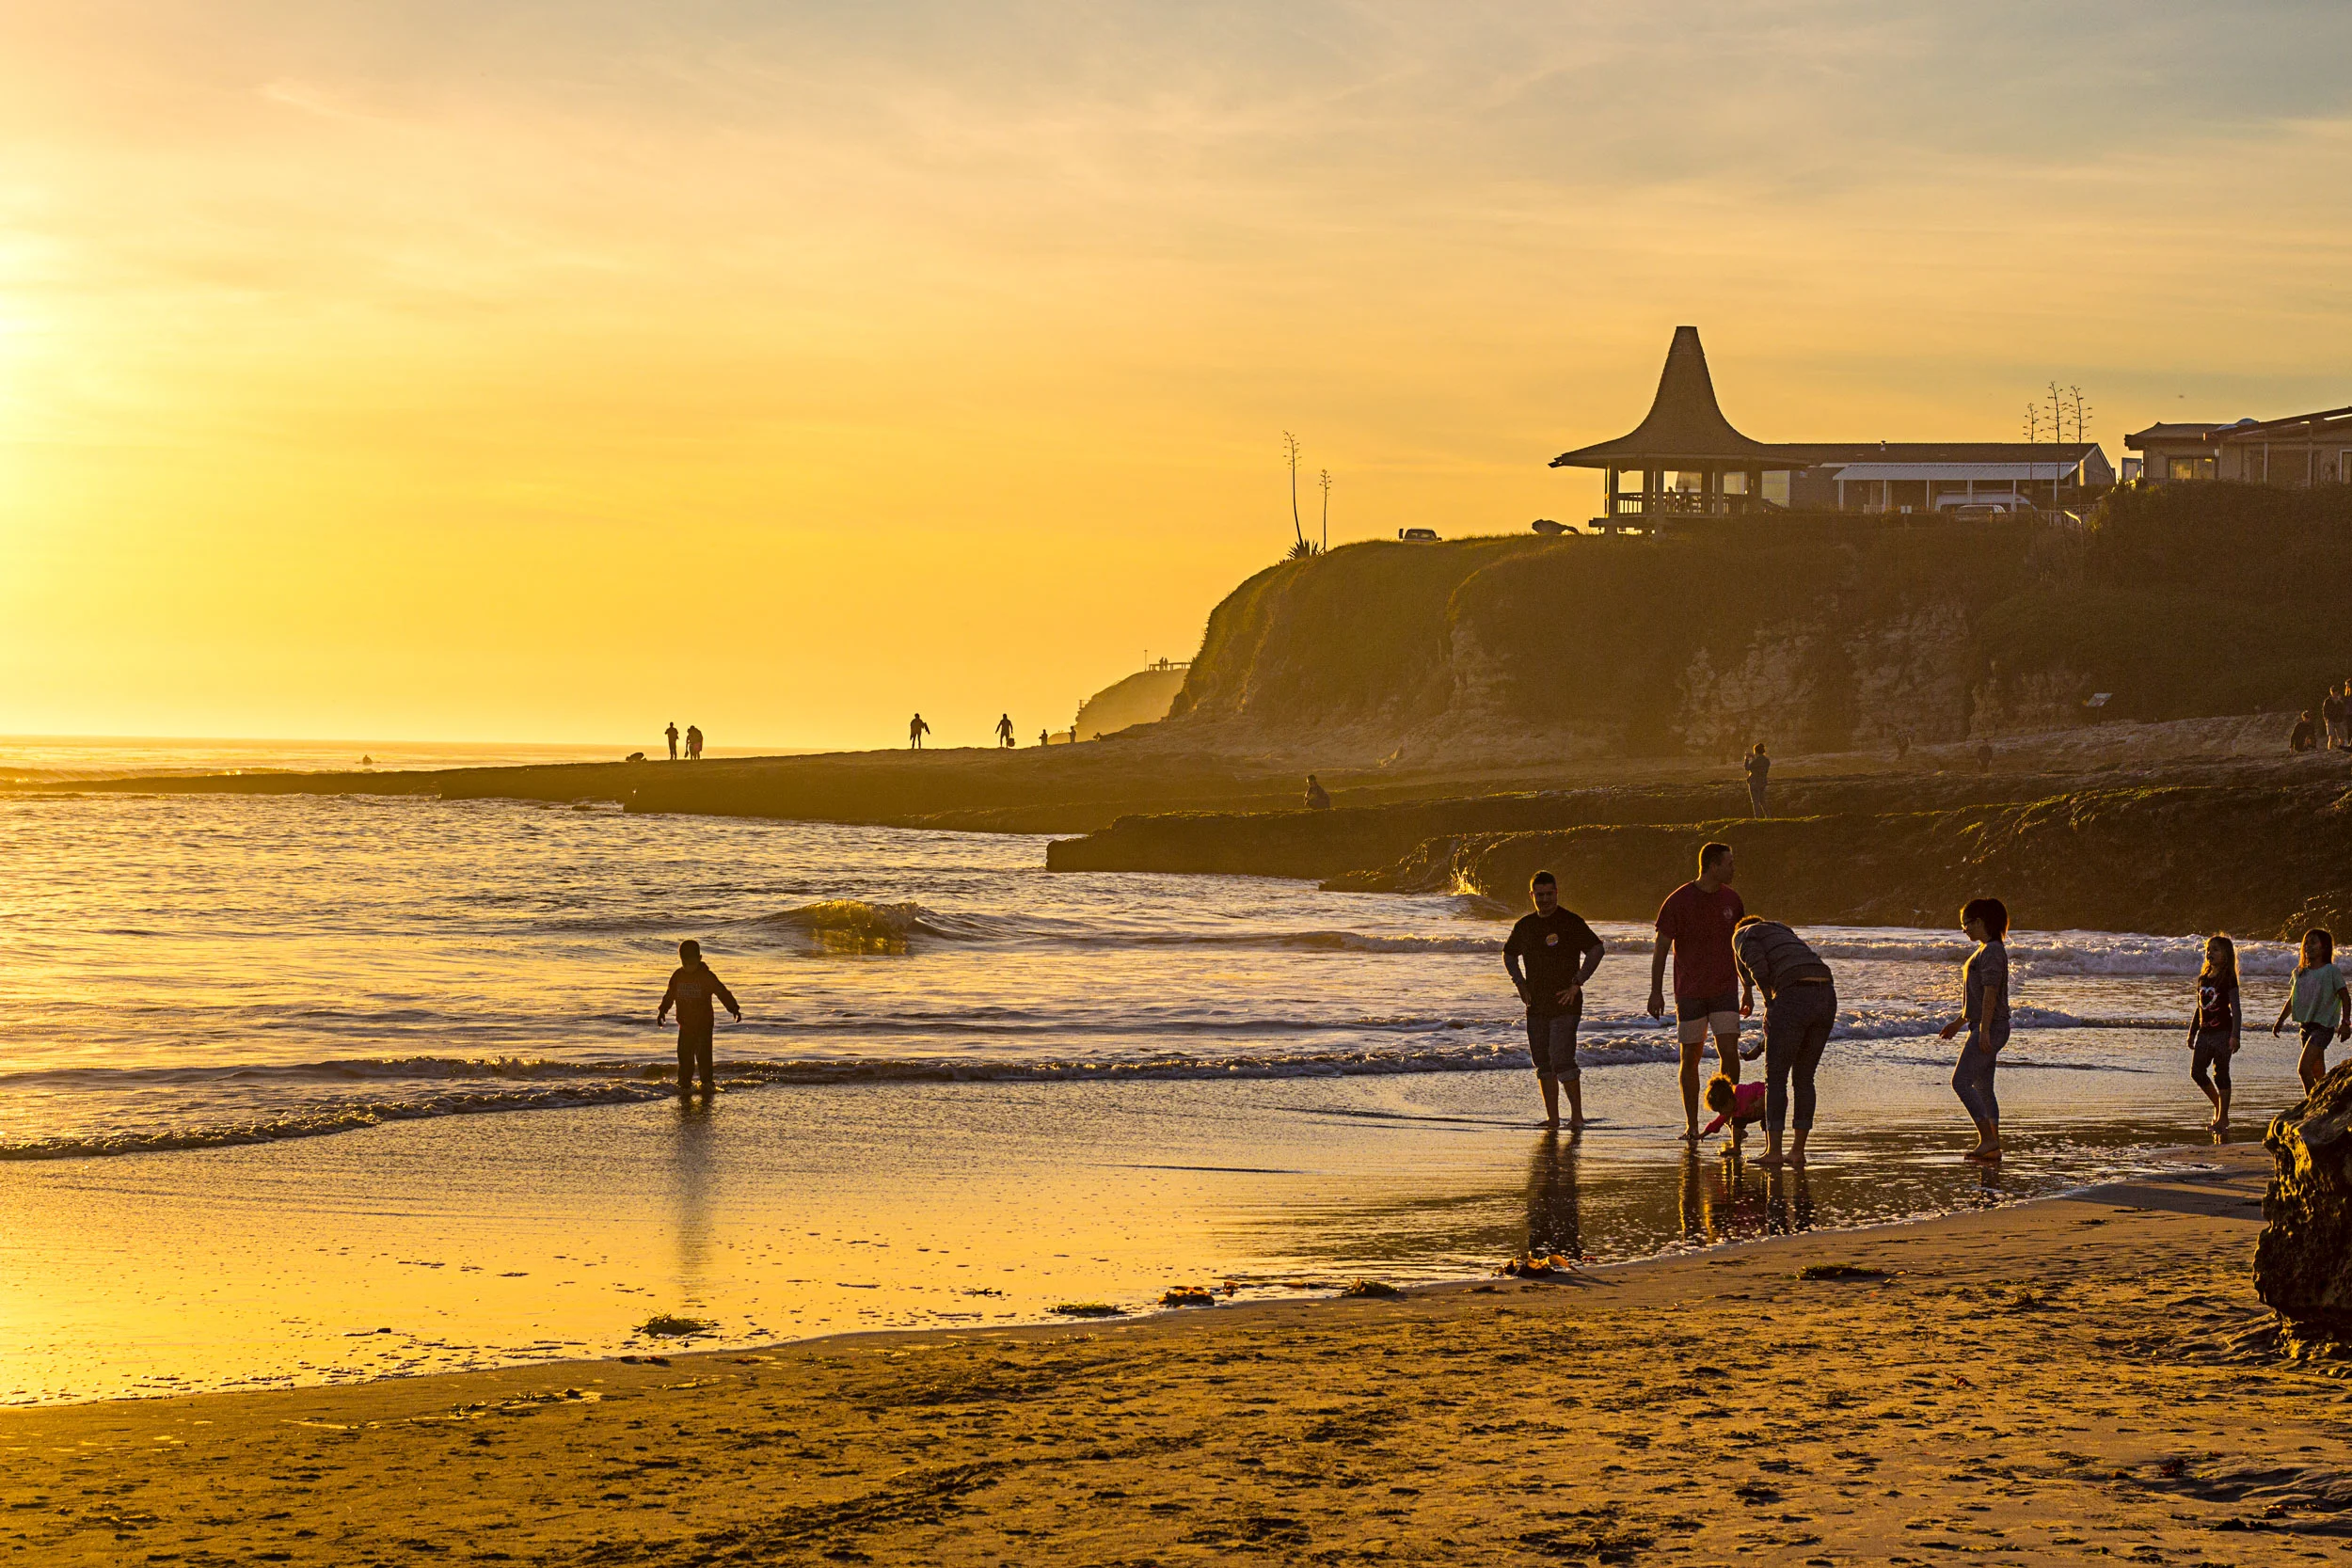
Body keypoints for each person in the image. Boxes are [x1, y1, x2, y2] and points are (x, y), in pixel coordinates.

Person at [1649, 842, 1746, 1142]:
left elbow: (1743, 947)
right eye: (1729, 864)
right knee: (1690, 1056)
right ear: (1713, 866)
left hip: (1725, 989)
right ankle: (1691, 1124)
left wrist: (1748, 988)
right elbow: (1661, 948)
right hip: (1689, 992)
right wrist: (1655, 992)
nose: (1734, 869)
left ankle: (1729, 1117)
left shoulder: (1732, 900)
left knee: (1729, 1051)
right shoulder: (1678, 901)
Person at [1503, 871, 1607, 1131]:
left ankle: (1577, 1118)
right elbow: (1509, 954)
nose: (1545, 900)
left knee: (1562, 1059)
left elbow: (1597, 949)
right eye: (1540, 895)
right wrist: (1519, 983)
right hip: (1535, 1004)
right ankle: (1553, 1119)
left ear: (1557, 893)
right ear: (1532, 895)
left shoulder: (1570, 922)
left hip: (1565, 1002)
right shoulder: (1525, 926)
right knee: (1542, 1061)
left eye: (1549, 894)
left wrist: (1578, 982)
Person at [1732, 914, 1837, 1168]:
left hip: (1793, 993)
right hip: (1826, 993)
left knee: (1776, 1079)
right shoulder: (1781, 930)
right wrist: (1761, 1045)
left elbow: (1758, 969)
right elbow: (1790, 1026)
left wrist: (1769, 1004)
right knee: (1804, 1078)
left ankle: (1774, 1152)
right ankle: (1797, 1152)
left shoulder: (1742, 934)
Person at [1939, 896, 2010, 1164]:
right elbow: (1978, 999)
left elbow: (1991, 993)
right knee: (1983, 1087)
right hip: (1986, 1025)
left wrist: (1984, 1031)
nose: (1964, 929)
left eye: (1966, 924)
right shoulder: (1987, 950)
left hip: (1991, 1026)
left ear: (1980, 922)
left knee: (1960, 1082)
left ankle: (1987, 1139)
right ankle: (1992, 1145)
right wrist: (1958, 1024)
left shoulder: (1991, 951)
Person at [657, 939, 741, 1098]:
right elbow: (670, 995)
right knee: (684, 1058)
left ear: (700, 958)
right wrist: (662, 1011)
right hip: (685, 1026)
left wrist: (733, 1008)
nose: (688, 967)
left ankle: (707, 1085)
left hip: (704, 1026)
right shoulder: (678, 976)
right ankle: (684, 1085)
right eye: (685, 963)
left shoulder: (706, 976)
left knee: (704, 1058)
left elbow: (722, 992)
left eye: (691, 963)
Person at [2272, 927, 2351, 1094]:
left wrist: (2345, 1023)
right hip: (2305, 1027)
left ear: (2324, 947)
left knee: (2303, 1068)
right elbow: (2292, 1000)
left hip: (2323, 1027)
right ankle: (2323, 1099)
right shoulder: (2299, 972)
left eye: (2313, 942)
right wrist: (2280, 1020)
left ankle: (2309, 1102)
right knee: (2317, 1071)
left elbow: (2345, 997)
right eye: (2306, 943)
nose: (2308, 946)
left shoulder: (2331, 971)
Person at [2187, 934, 2242, 1132]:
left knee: (2221, 1074)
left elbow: (2236, 1009)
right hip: (2204, 1033)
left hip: (2223, 1033)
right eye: (2208, 949)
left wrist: (2235, 1035)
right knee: (2197, 1072)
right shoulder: (2203, 978)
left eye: (2215, 949)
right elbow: (2200, 1007)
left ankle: (2223, 1117)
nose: (2210, 953)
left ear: (2226, 955)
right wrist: (2192, 1032)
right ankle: (2218, 1104)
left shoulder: (2228, 979)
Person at [1699, 1074, 1765, 1154]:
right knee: (1733, 1120)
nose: (1721, 1113)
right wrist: (1703, 1134)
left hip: (1769, 1106)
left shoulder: (1744, 1093)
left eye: (1721, 1110)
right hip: (1755, 1112)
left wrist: (1757, 1104)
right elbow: (1717, 1123)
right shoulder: (1731, 1105)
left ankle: (1736, 1148)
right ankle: (1738, 1142)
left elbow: (1764, 1090)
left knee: (1737, 1120)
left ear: (1729, 1101)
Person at [1743, 743, 1771, 817]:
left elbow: (1747, 768)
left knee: (1755, 802)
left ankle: (1757, 818)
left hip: (1754, 782)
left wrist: (1746, 759)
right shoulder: (1766, 760)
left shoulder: (1756, 761)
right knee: (1762, 801)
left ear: (1756, 751)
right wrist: (1754, 758)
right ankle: (1768, 816)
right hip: (1763, 782)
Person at [2325, 684, 2346, 751]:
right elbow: (2325, 711)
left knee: (2341, 736)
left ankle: (2342, 748)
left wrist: (2342, 718)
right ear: (2332, 693)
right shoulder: (2328, 701)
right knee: (2331, 736)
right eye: (2334, 693)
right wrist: (2326, 719)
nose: (2335, 694)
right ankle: (2330, 749)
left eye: (2336, 693)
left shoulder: (2340, 701)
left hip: (2339, 720)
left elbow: (2343, 710)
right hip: (2330, 720)